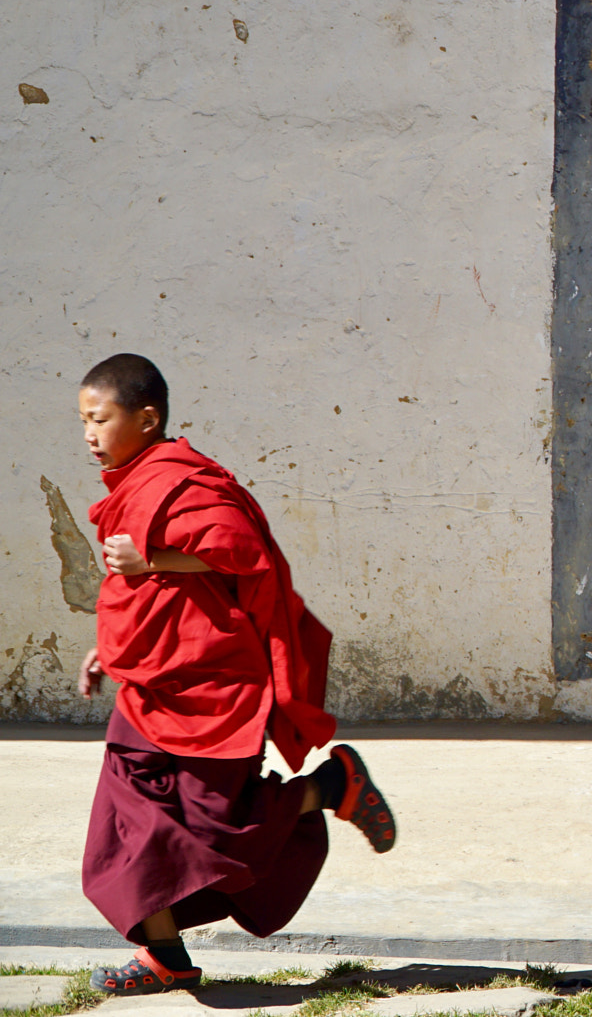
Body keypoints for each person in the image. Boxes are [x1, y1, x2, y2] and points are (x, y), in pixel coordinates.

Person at [74, 353, 396, 995]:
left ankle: (329, 787)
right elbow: (148, 592)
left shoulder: (186, 481)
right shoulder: (137, 481)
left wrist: (150, 557)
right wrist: (111, 646)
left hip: (210, 680)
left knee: (214, 825)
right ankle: (165, 955)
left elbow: (240, 551)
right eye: (82, 420)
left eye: (100, 419)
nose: (89, 433)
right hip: (150, 682)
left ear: (147, 417)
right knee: (127, 823)